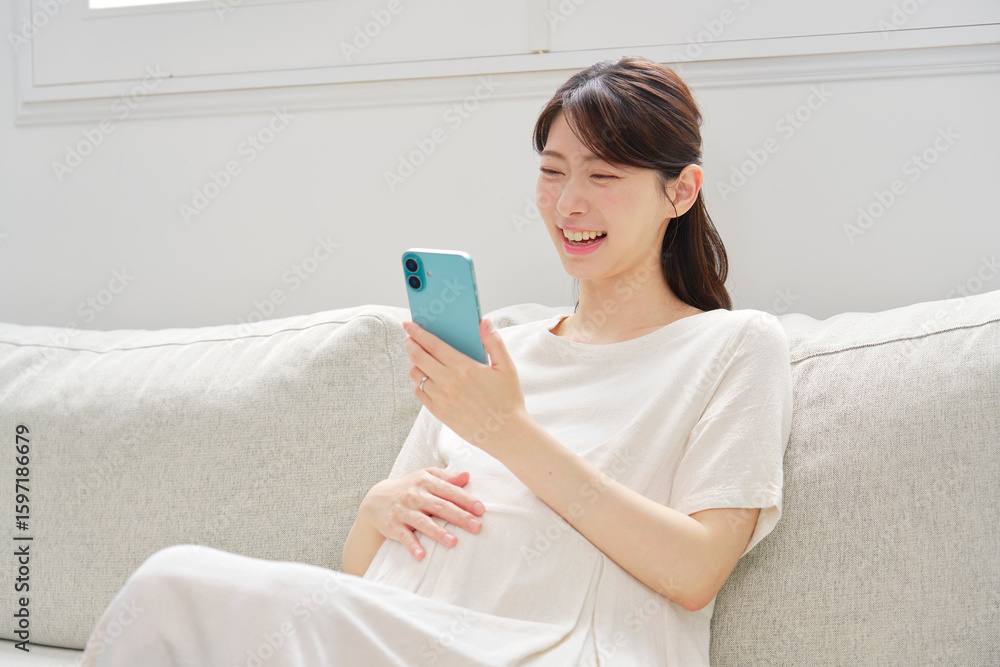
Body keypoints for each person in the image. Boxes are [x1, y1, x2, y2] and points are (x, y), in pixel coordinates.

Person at [79, 55, 792, 666]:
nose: (568, 203)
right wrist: (375, 510)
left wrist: (508, 431)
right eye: (552, 171)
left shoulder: (735, 346)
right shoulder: (496, 349)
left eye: (603, 175)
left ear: (680, 191)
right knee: (169, 600)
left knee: (173, 585)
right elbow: (366, 567)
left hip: (547, 648)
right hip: (402, 627)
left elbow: (695, 570)